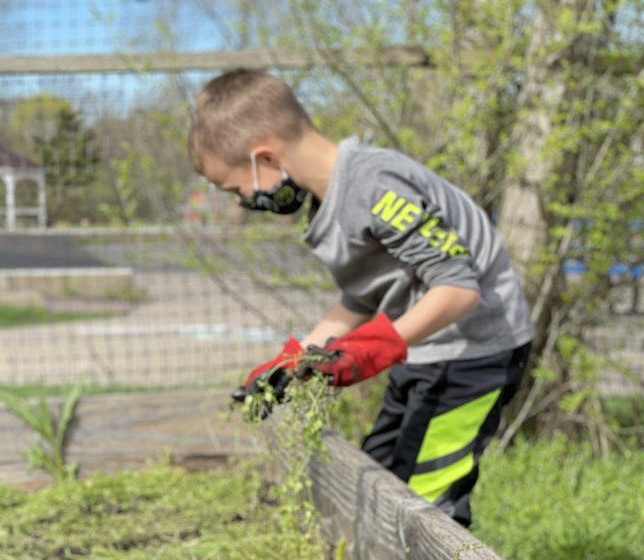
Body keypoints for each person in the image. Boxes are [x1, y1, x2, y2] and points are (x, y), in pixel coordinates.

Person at [189, 68, 534, 528]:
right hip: (423, 346)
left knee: (425, 505)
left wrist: (373, 350)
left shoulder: (374, 185)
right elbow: (361, 297)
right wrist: (296, 362)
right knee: (380, 475)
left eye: (237, 189)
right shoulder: (329, 200)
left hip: (475, 352)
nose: (243, 202)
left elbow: (459, 287)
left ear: (266, 159)